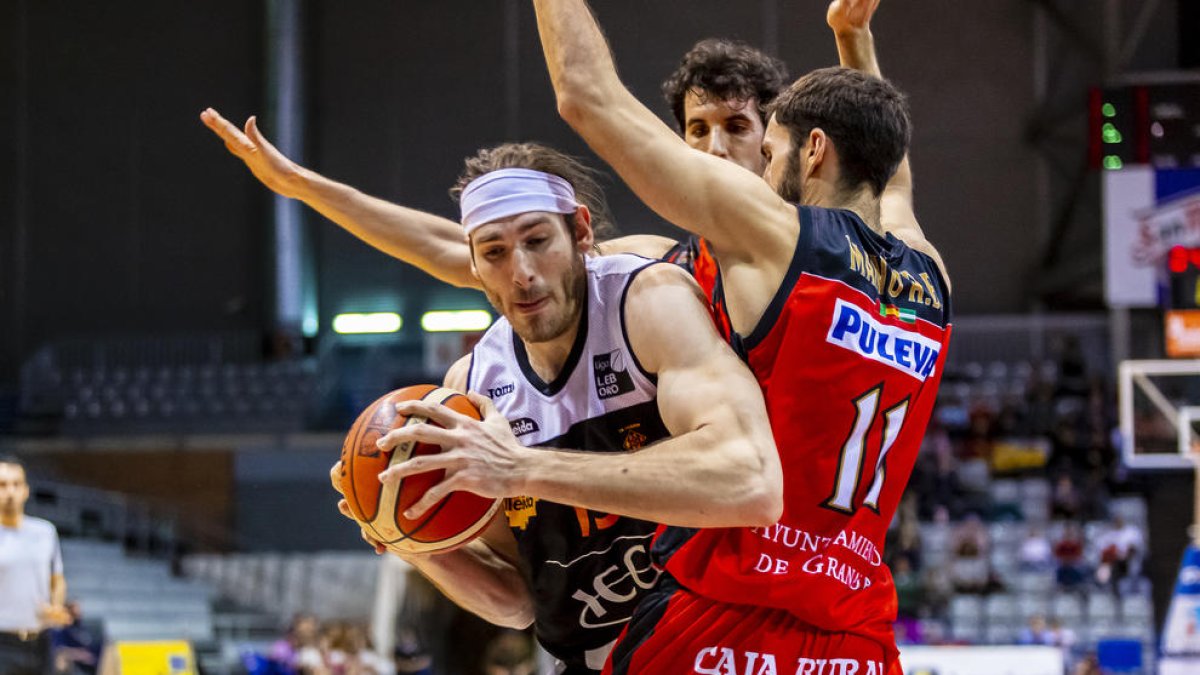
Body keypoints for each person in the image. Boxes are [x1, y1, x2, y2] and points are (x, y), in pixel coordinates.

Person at [529, 0, 951, 672]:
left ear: (813, 151)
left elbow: (587, 98)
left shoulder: (779, 236)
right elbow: (892, 175)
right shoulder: (929, 273)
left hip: (723, 614)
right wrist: (854, 36)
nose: (760, 165)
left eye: (772, 146)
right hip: (855, 636)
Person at [334, 143, 781, 674]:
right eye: (495, 252)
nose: (521, 272)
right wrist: (410, 537)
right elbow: (519, 600)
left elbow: (751, 481)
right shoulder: (473, 385)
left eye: (538, 240)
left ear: (581, 231)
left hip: (718, 649)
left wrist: (524, 468)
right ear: (473, 264)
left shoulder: (646, 301)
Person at [0, 455, 70, 675]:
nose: (10, 491)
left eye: (16, 484)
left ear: (26, 490)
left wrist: (57, 607)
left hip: (41, 642)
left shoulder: (45, 532)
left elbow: (57, 580)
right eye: (2, 485)